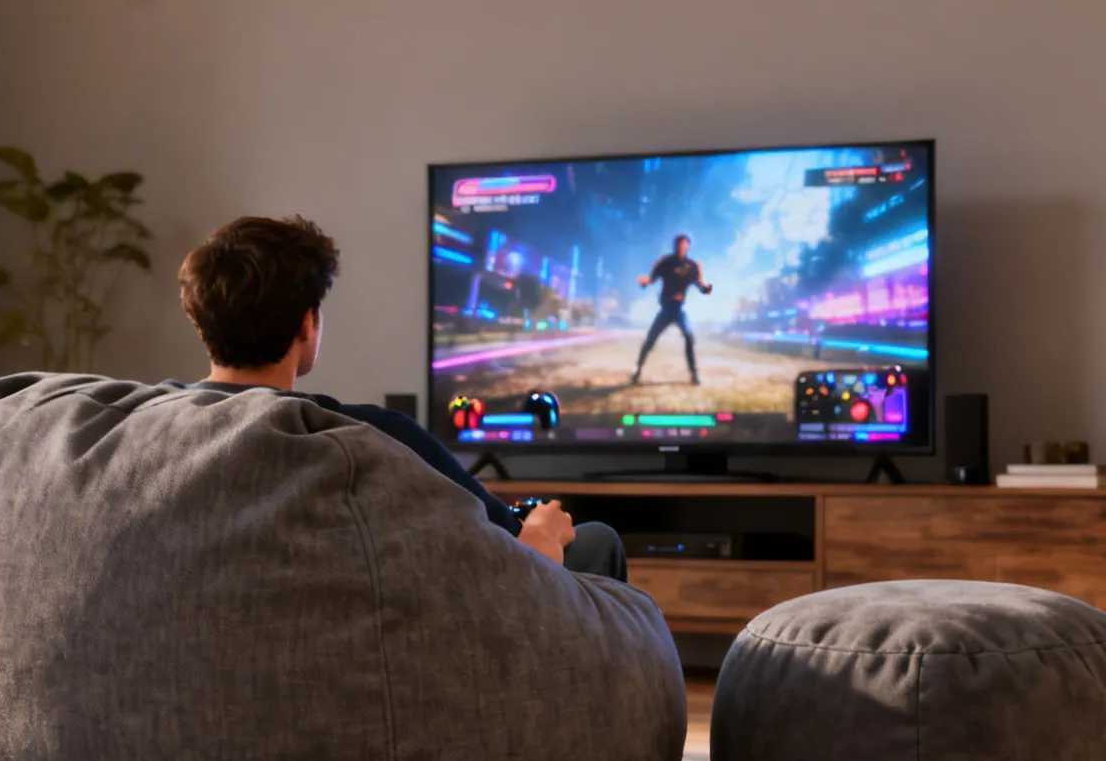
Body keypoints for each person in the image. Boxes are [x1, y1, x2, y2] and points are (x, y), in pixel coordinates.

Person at [167, 214, 627, 581]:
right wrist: (543, 532)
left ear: (198, 317)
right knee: (595, 540)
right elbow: (511, 547)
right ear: (308, 323)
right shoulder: (375, 434)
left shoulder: (148, 424)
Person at [632, 234, 713, 385]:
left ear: (687, 246)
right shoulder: (666, 262)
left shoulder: (692, 266)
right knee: (650, 339)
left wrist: (707, 288)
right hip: (666, 310)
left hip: (678, 310)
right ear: (674, 245)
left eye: (684, 244)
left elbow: (700, 284)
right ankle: (638, 370)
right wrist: (644, 282)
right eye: (678, 244)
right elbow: (651, 279)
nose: (681, 247)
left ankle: (694, 374)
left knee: (689, 337)